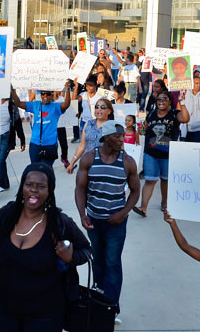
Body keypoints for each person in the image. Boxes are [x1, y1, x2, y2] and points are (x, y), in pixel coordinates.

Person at [0, 163, 91, 332]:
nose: (34, 190)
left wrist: (70, 258)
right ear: (22, 187)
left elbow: (87, 250)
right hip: (5, 310)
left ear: (50, 191)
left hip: (45, 315)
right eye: (29, 184)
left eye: (41, 186)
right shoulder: (9, 214)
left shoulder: (59, 224)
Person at [74, 122, 140, 324]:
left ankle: (111, 308)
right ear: (106, 138)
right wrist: (82, 214)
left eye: (123, 136)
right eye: (118, 136)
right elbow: (80, 188)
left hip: (116, 223)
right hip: (94, 219)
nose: (122, 139)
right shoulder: (89, 158)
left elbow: (136, 191)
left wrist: (123, 213)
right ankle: (100, 299)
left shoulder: (127, 162)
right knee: (99, 260)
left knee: (112, 262)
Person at [134, 91, 189, 217]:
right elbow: (144, 130)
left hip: (168, 155)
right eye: (159, 99)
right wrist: (140, 128)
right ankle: (143, 207)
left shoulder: (174, 114)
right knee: (150, 180)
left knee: (165, 180)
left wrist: (183, 102)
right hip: (151, 153)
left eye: (165, 99)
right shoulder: (152, 114)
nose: (161, 102)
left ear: (170, 102)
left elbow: (185, 119)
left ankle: (164, 202)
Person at [11, 81, 73, 166]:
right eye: (43, 94)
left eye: (47, 94)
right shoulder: (35, 105)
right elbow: (18, 103)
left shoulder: (56, 107)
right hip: (35, 144)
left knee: (45, 170)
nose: (45, 96)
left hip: (50, 145)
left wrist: (67, 90)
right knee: (35, 170)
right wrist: (13, 90)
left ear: (51, 95)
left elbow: (66, 104)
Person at [66, 97, 115, 174]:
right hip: (87, 165)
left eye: (103, 107)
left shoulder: (113, 127)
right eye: (97, 107)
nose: (99, 109)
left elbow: (118, 149)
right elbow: (82, 146)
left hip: (104, 168)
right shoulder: (88, 124)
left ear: (109, 111)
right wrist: (72, 162)